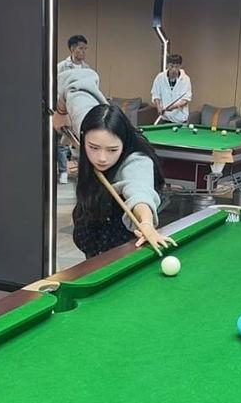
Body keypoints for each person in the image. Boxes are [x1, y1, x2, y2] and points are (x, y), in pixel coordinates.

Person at [72, 104, 176, 258]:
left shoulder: (137, 161)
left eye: (112, 150)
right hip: (93, 239)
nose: (102, 158)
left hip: (118, 246)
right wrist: (61, 110)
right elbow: (75, 95)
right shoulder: (85, 120)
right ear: (83, 135)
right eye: (94, 147)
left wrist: (146, 224)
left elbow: (139, 191)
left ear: (124, 143)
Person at [55, 35, 90, 184]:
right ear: (72, 49)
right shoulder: (62, 67)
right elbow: (56, 88)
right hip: (64, 108)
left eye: (85, 49)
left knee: (81, 142)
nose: (83, 51)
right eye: (81, 48)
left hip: (80, 110)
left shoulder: (87, 69)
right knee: (63, 143)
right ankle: (63, 171)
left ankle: (82, 173)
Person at [151, 54, 192, 123]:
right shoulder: (160, 77)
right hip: (165, 118)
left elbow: (185, 100)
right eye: (171, 66)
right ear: (167, 65)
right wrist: (158, 107)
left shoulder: (186, 79)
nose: (174, 69)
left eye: (177, 67)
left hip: (180, 119)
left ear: (180, 66)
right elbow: (156, 95)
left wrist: (172, 107)